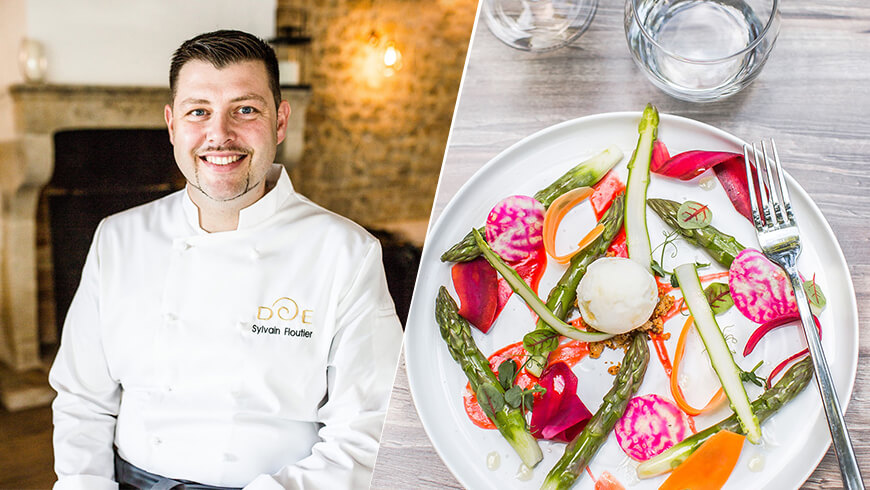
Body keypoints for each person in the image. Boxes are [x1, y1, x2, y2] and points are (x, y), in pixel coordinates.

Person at [49, 30, 404, 490]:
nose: (220, 134)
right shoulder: (117, 238)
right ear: (172, 125)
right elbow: (81, 399)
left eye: (246, 110)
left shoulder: (346, 252)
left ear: (279, 122)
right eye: (199, 111)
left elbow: (370, 427)